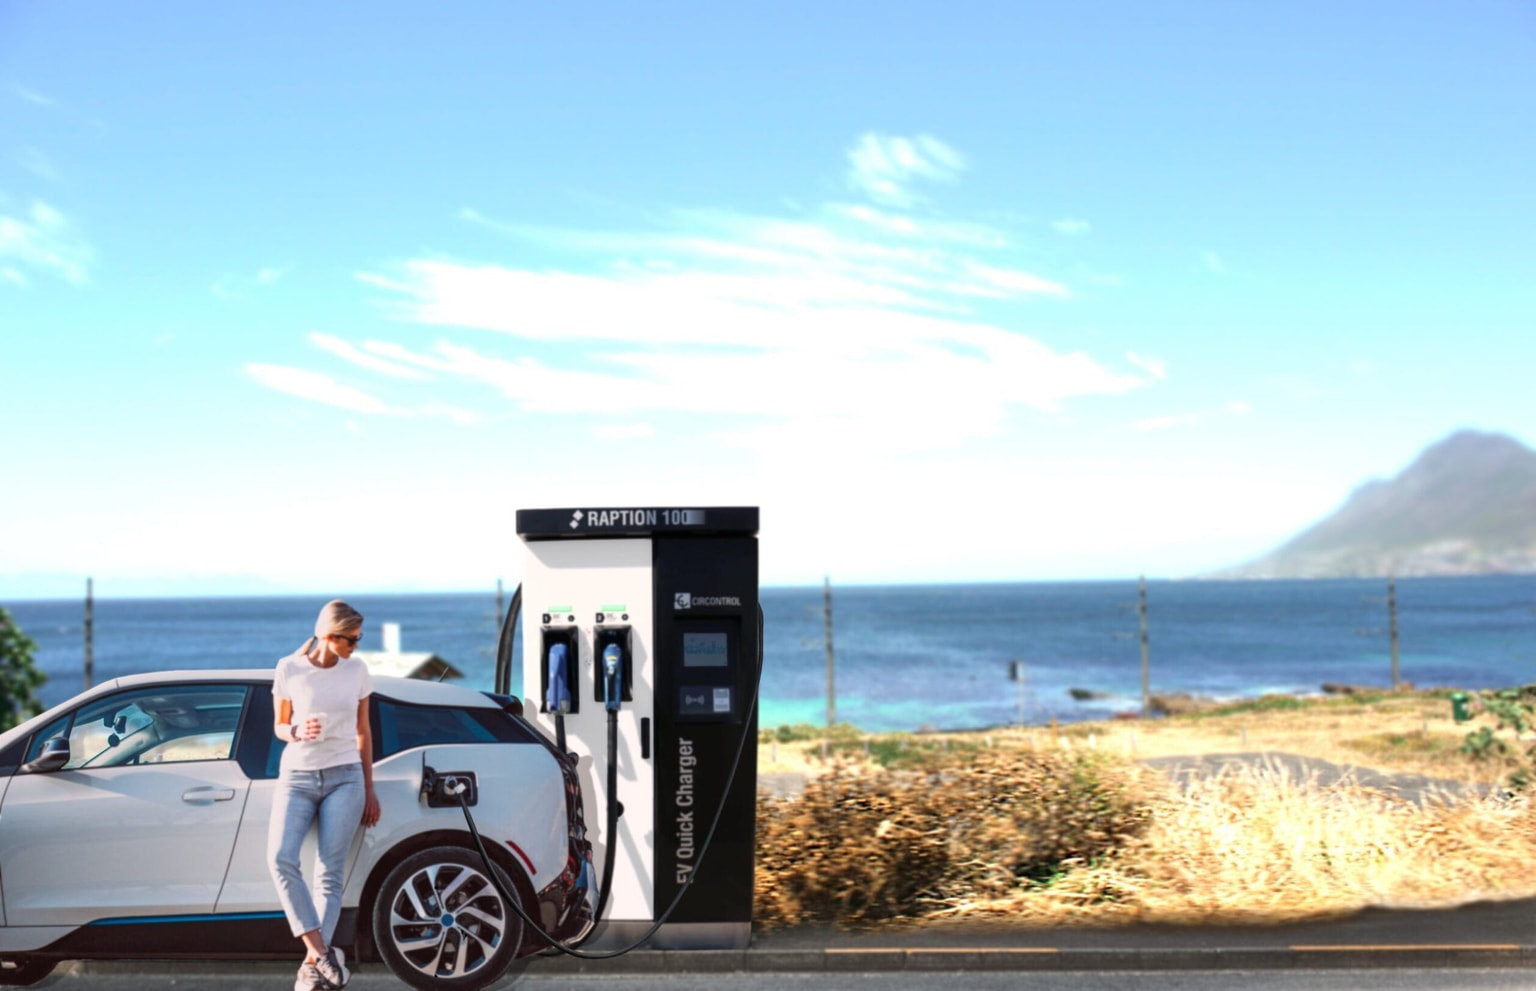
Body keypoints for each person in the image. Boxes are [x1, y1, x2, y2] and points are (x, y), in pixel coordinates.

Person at [267, 600, 381, 991]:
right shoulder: (289, 668)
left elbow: (363, 731)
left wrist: (369, 788)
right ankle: (322, 954)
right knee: (280, 858)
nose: (355, 647)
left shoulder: (358, 671)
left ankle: (311, 968)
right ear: (328, 636)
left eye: (358, 640)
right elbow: (279, 725)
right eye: (350, 640)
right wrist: (298, 730)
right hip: (297, 777)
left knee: (329, 873)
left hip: (345, 777)